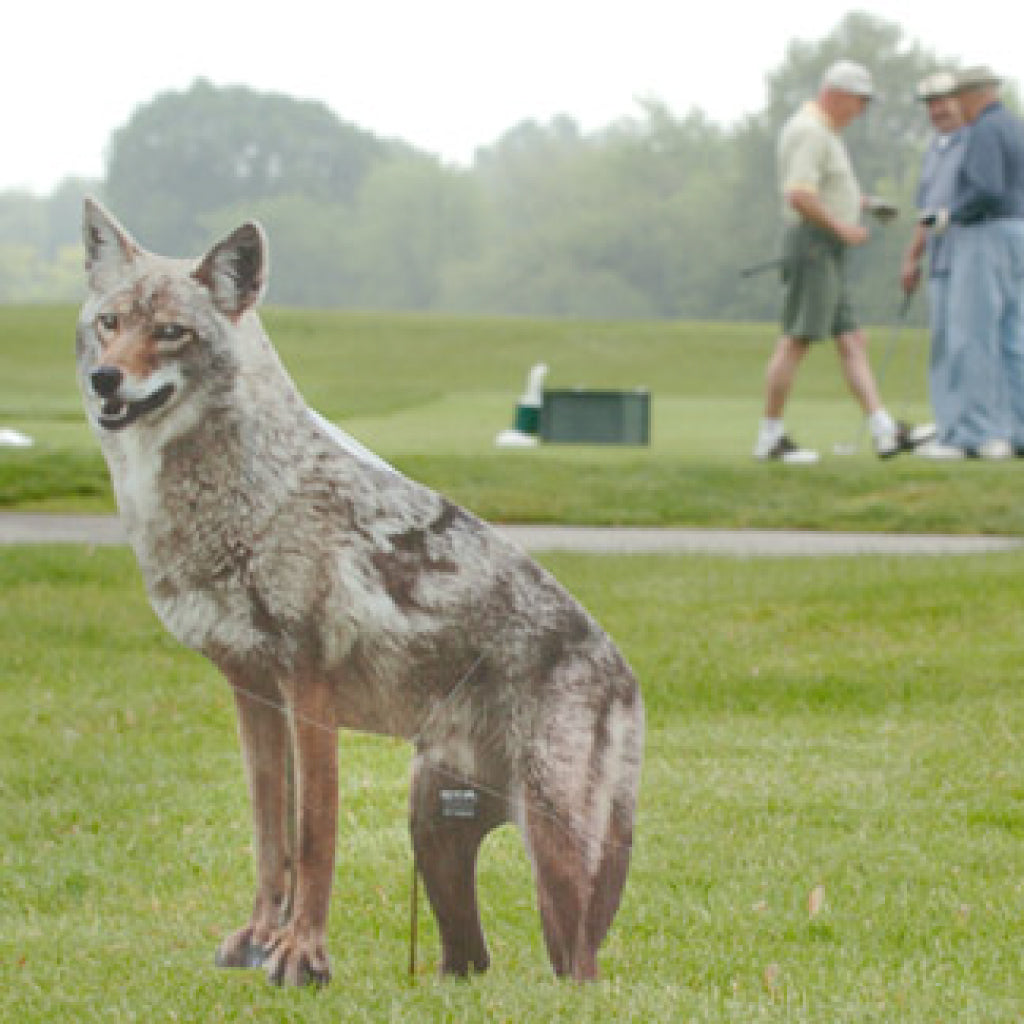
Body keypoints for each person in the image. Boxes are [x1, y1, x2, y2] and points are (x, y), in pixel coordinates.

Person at [753, 59, 933, 464]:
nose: (862, 110)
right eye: (859, 101)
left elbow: (823, 187)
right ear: (835, 94)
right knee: (796, 341)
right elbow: (799, 195)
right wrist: (843, 228)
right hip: (814, 246)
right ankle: (769, 438)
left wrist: (863, 204)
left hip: (826, 247)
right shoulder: (810, 132)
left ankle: (884, 431)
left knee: (852, 340)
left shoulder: (825, 132)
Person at [920, 66, 1024, 459]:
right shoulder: (1014, 125)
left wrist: (948, 214)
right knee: (1013, 338)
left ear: (972, 96)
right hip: (1018, 232)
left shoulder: (983, 130)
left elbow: (986, 188)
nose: (956, 106)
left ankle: (972, 435)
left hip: (986, 234)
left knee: (973, 337)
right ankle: (1018, 430)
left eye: (958, 97)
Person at [899, 72, 966, 457]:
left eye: (943, 101)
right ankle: (947, 425)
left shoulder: (974, 144)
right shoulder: (933, 151)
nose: (937, 110)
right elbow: (925, 211)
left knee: (967, 347)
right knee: (942, 346)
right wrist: (912, 256)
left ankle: (967, 428)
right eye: (930, 104)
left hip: (973, 261)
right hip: (940, 263)